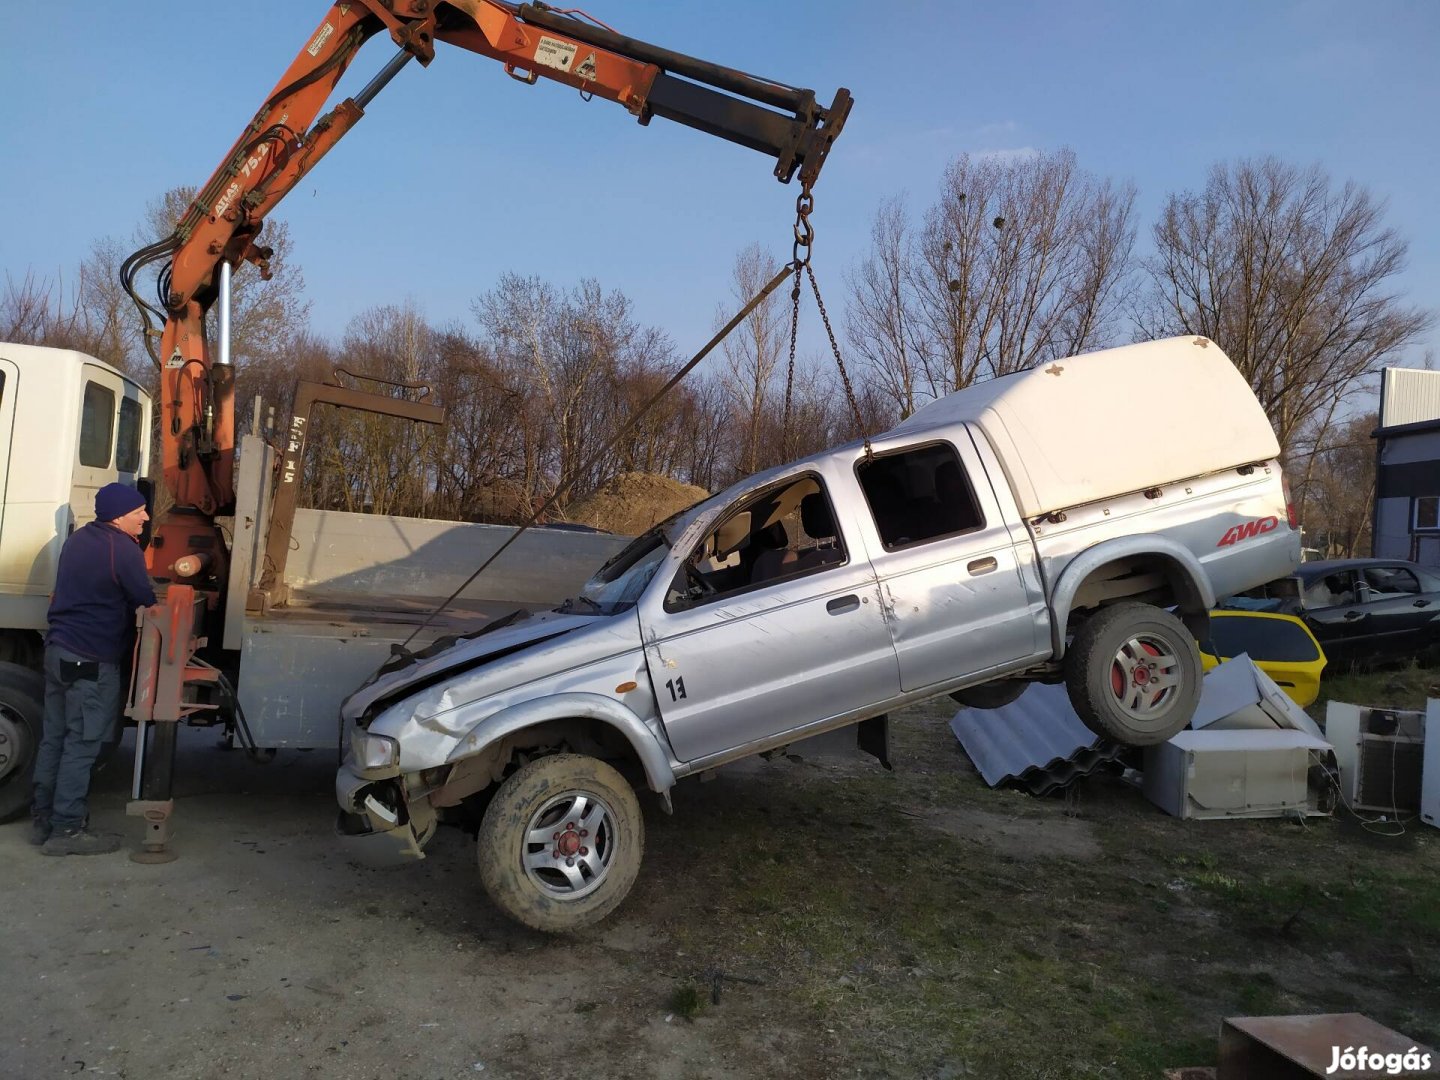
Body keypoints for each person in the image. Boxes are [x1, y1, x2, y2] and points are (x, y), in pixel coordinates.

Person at [31, 483, 155, 855]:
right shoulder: (122, 549)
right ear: (119, 516)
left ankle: (43, 821)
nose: (146, 518)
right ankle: (67, 832)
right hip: (90, 659)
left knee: (54, 738)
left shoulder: (79, 539)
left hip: (58, 652)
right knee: (83, 745)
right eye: (140, 512)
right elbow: (145, 598)